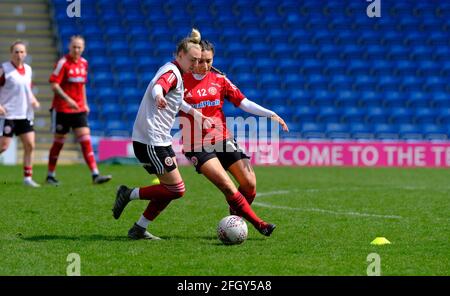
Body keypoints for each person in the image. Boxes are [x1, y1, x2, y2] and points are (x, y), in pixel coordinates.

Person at [179, 39, 289, 237]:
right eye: (200, 61)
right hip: (196, 144)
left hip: (222, 138)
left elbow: (243, 102)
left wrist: (269, 113)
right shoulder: (181, 80)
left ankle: (235, 213)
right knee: (227, 186)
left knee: (249, 184)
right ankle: (259, 224)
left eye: (209, 61)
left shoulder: (219, 80)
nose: (204, 66)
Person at [112, 29, 211, 240]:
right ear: (180, 55)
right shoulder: (172, 73)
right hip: (151, 140)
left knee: (169, 189)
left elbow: (176, 100)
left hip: (158, 139)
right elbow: (160, 86)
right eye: (192, 60)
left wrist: (196, 114)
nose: (195, 64)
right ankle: (128, 193)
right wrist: (158, 96)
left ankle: (139, 228)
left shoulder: (177, 73)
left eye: (198, 60)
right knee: (177, 189)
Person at [46, 35, 111, 185]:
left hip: (79, 109)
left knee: (85, 140)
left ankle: (95, 174)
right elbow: (54, 85)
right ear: (69, 47)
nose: (77, 49)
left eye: (79, 47)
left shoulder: (83, 64)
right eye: (74, 47)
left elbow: (82, 85)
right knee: (59, 143)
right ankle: (50, 175)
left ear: (83, 48)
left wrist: (85, 104)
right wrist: (69, 100)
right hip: (62, 109)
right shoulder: (63, 63)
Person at [0, 40, 41, 187]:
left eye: (22, 51)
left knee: (30, 145)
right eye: (16, 51)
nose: (19, 54)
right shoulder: (4, 69)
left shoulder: (28, 69)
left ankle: (27, 178)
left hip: (24, 114)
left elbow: (27, 89)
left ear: (26, 54)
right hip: (8, 115)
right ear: (11, 53)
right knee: (3, 147)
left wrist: (33, 100)